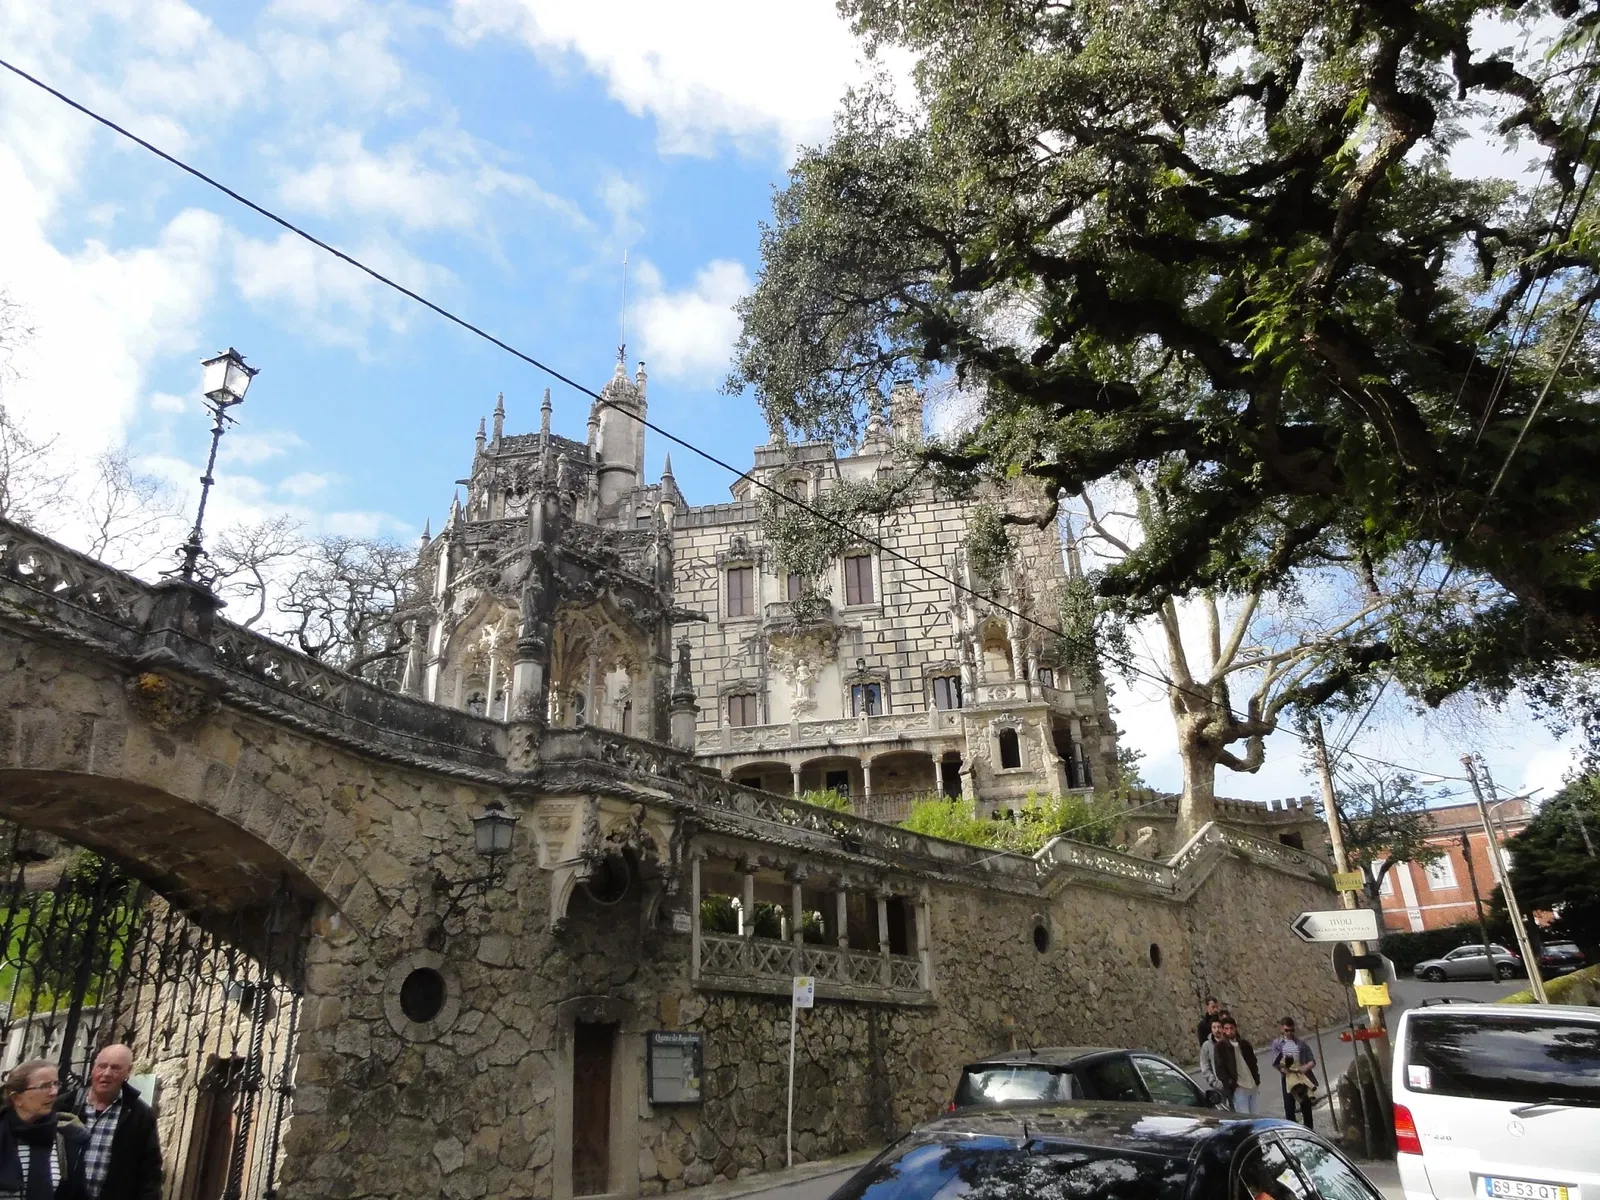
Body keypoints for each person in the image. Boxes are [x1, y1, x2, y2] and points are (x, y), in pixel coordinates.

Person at [55, 1046, 161, 1200]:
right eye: (102, 1066)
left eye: (115, 1068)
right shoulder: (66, 1105)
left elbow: (150, 1171)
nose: (106, 1074)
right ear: (93, 1069)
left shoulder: (140, 1114)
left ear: (128, 1072)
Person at [0, 1059, 89, 1200]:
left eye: (56, 1084)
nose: (54, 1092)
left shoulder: (67, 1138)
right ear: (17, 1098)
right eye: (45, 1086)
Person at [1268, 1016, 1317, 1127]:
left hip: (1302, 1077)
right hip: (1288, 1078)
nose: (1289, 1033)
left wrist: (1305, 1067)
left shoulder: (1301, 1043)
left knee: (1306, 1106)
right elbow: (1275, 1062)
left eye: (1292, 1030)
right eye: (1286, 1030)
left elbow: (1312, 1060)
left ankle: (1309, 1132)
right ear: (1281, 1029)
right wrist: (1282, 1069)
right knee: (1289, 1108)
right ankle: (1293, 1132)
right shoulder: (1277, 1044)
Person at [1223, 1017, 1260, 1113]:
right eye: (1226, 1029)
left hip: (1252, 1086)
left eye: (1231, 1028)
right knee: (1244, 1118)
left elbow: (1253, 1062)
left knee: (1256, 1116)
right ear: (1223, 1030)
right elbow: (1221, 1070)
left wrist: (1256, 1079)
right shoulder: (1221, 1047)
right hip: (1239, 1089)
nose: (1229, 1031)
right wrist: (1232, 1084)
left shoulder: (1245, 1044)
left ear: (1235, 1028)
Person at [1198, 1018, 1237, 1107]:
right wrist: (1213, 1081)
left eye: (1219, 1027)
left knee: (1237, 1111)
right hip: (1218, 1086)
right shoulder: (1206, 1046)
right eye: (1214, 1027)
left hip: (1234, 1085)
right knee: (1222, 1113)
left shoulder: (1231, 1042)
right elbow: (1205, 1066)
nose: (1217, 1030)